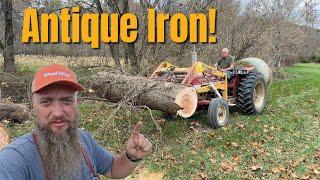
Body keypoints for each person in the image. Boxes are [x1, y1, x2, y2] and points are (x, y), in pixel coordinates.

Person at [0, 64, 152, 179]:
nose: (58, 112)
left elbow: (113, 168)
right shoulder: (13, 161)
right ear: (33, 106)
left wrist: (132, 156)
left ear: (76, 103)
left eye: (66, 100)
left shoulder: (84, 139)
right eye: (46, 102)